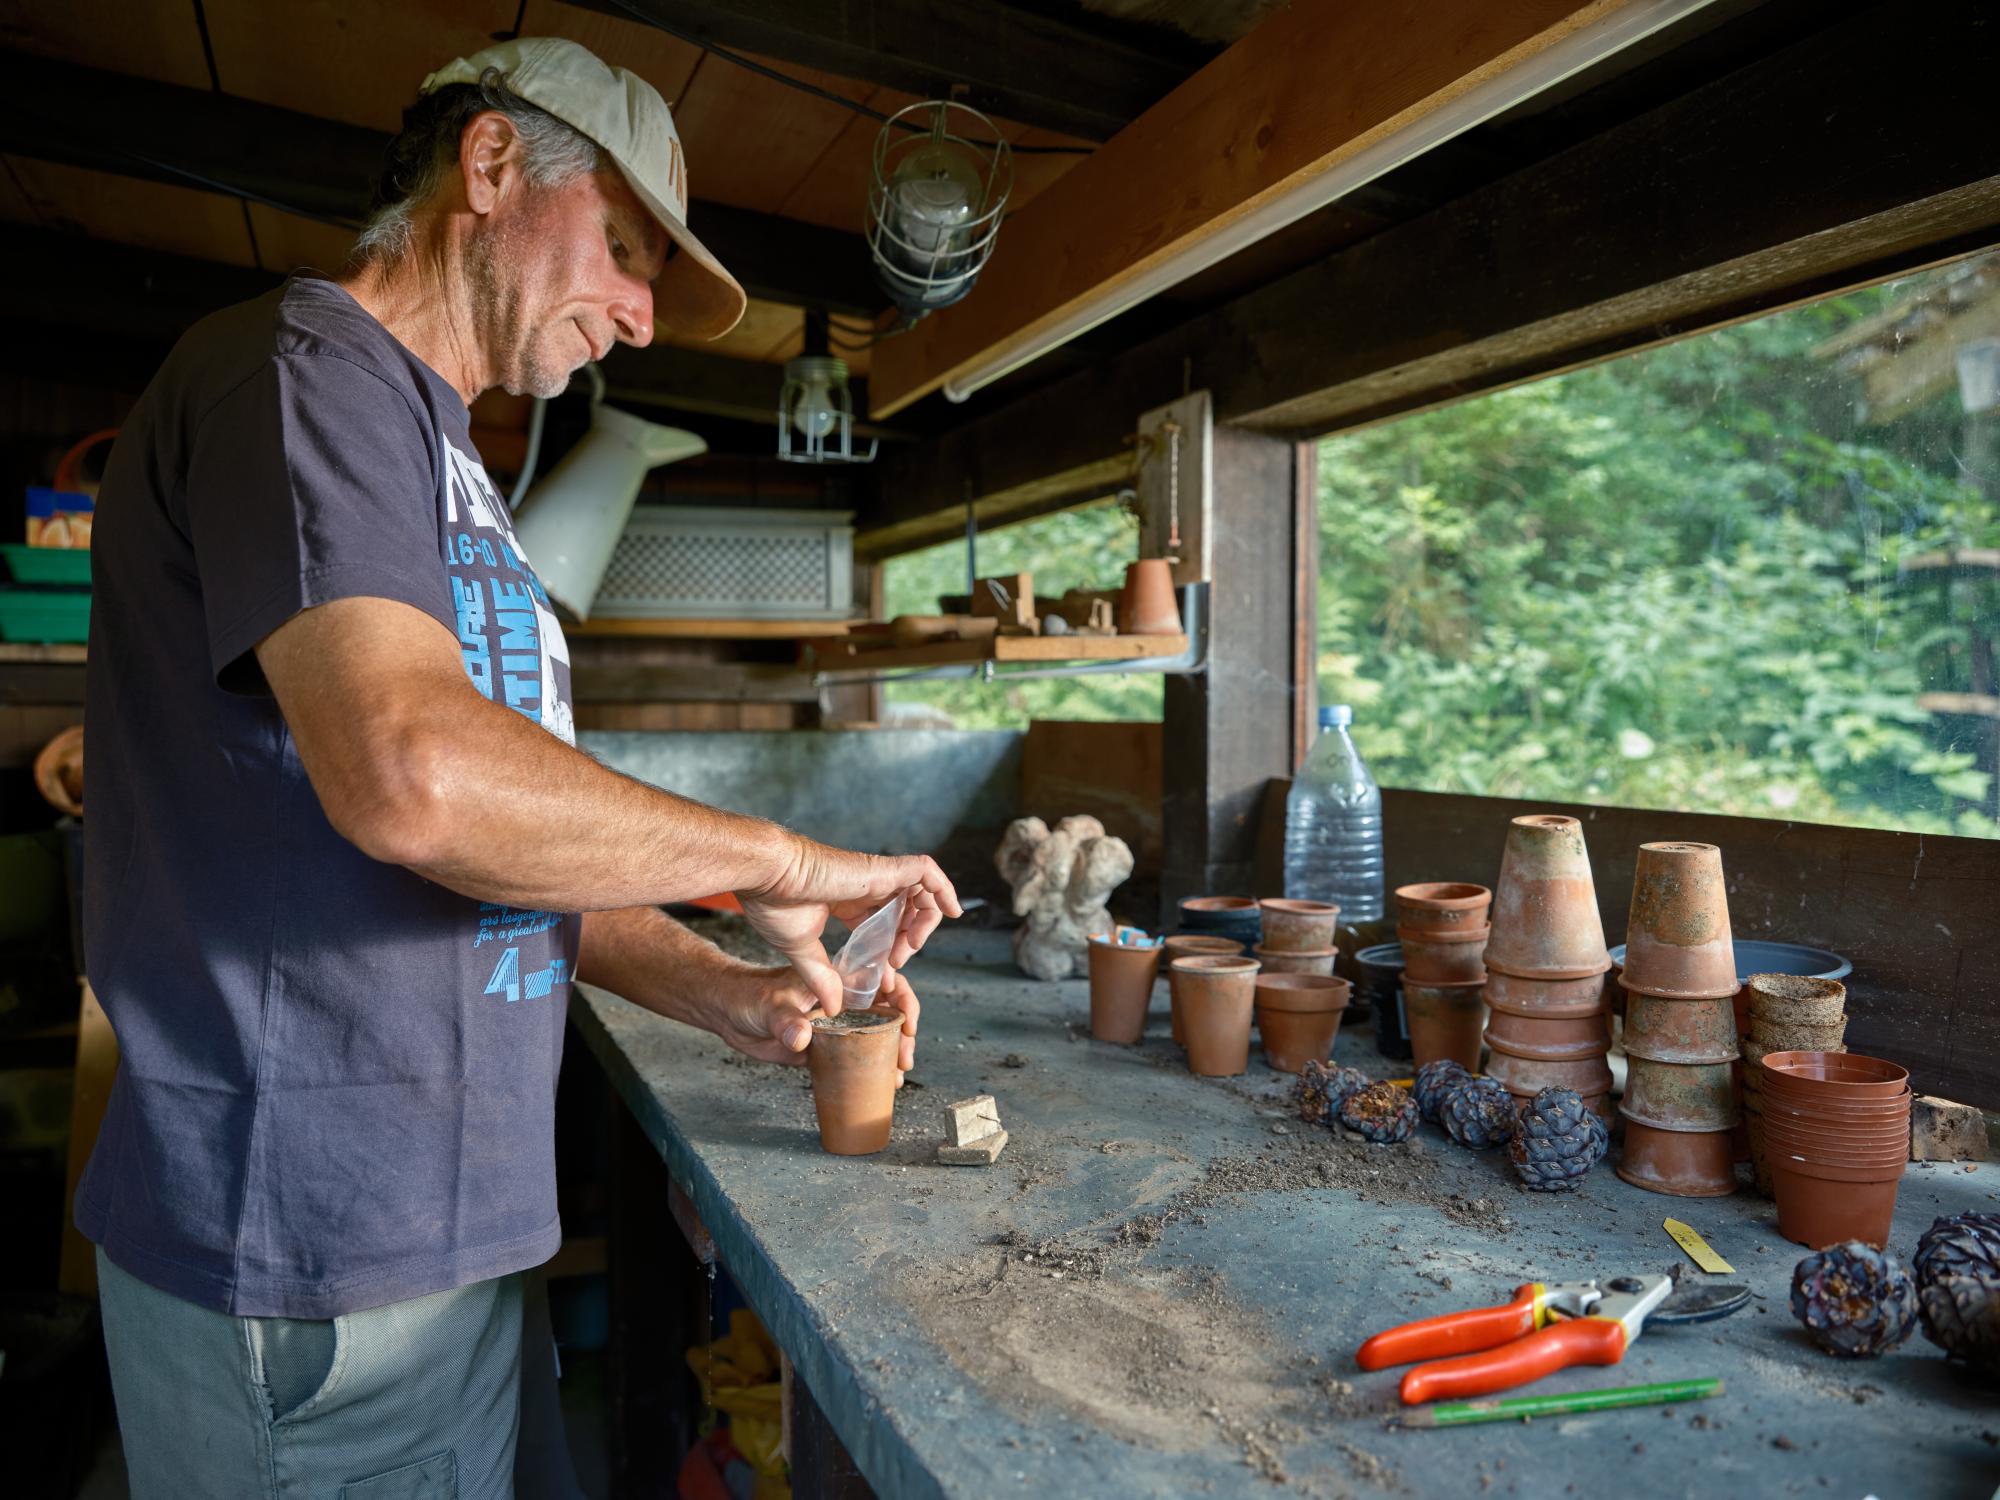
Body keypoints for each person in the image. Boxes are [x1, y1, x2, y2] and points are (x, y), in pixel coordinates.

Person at [75, 36, 959, 1498]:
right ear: (490, 168)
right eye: (622, 247)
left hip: (448, 1227)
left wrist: (716, 981)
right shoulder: (301, 374)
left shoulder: (448, 460)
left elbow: (491, 842)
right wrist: (776, 858)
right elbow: (410, 777)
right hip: (310, 1250)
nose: (641, 313)